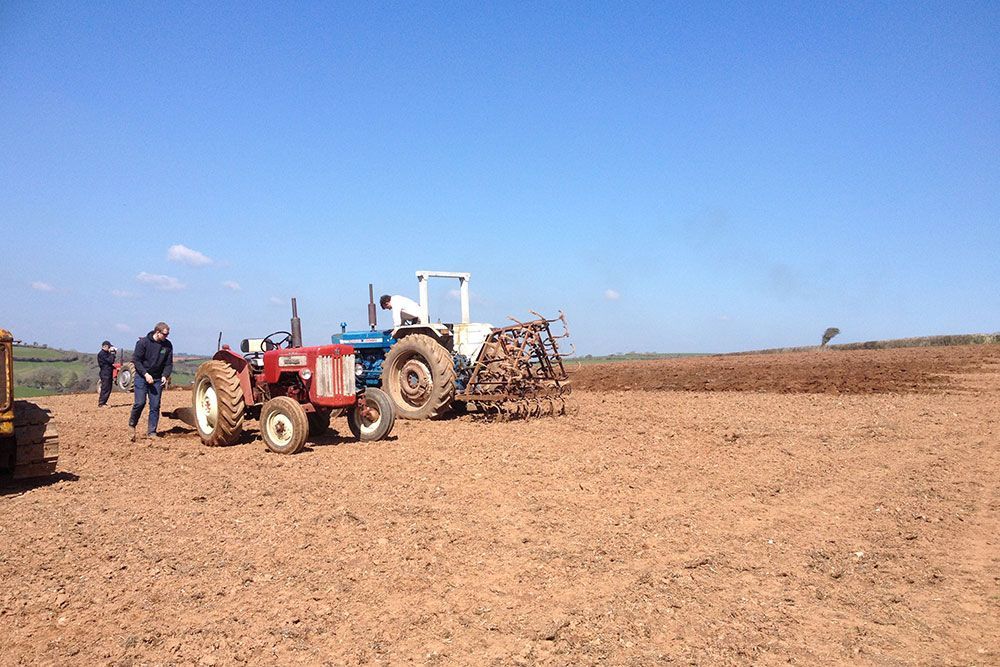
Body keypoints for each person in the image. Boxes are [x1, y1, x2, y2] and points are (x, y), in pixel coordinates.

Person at [129, 322, 173, 441]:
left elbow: (168, 364)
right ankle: (132, 424)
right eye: (164, 334)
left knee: (155, 406)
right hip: (142, 377)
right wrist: (145, 374)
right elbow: (136, 360)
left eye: (168, 334)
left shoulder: (167, 346)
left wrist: (165, 375)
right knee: (140, 403)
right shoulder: (143, 343)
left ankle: (152, 432)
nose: (166, 336)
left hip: (157, 379)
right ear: (157, 332)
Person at [97, 340, 117, 407]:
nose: (109, 348)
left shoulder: (106, 353)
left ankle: (104, 402)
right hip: (105, 373)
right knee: (105, 388)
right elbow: (110, 361)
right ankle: (101, 403)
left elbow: (111, 361)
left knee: (108, 388)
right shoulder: (101, 354)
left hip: (108, 372)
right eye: (109, 347)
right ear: (104, 346)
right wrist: (112, 353)